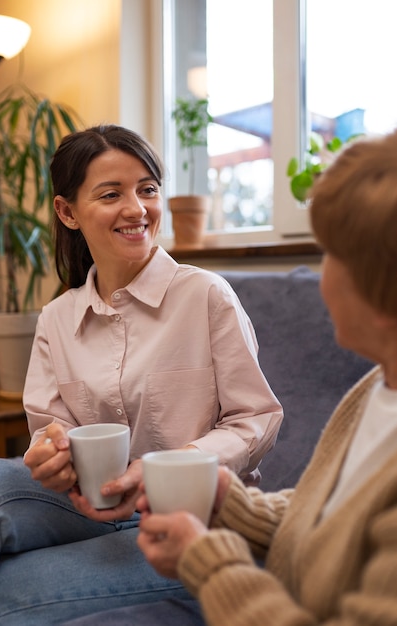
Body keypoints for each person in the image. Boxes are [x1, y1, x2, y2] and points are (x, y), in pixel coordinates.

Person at [0, 125, 282, 622]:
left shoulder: (205, 295)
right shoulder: (57, 319)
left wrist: (174, 464)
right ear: (67, 212)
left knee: (0, 596)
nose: (137, 208)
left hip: (188, 519)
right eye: (111, 194)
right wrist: (50, 455)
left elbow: (257, 418)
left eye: (147, 189)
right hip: (82, 508)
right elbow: (49, 432)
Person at [135, 130, 397, 625]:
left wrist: (209, 564)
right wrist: (230, 503)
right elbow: (331, 514)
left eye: (331, 257)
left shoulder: (203, 294)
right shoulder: (375, 390)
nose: (319, 279)